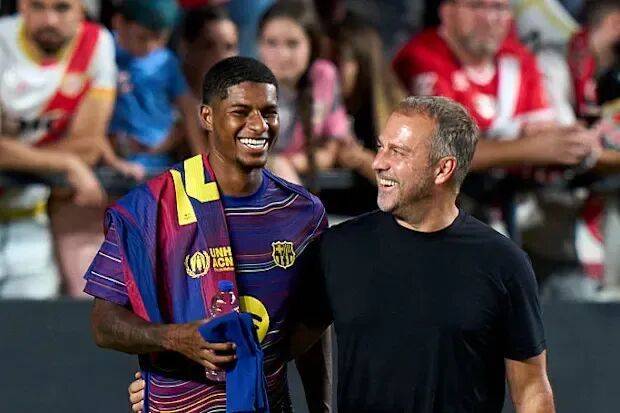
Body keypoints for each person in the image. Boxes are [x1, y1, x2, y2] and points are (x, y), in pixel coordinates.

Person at [86, 56, 331, 412]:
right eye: (241, 112)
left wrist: (322, 407)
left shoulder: (303, 213)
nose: (259, 125)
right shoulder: (151, 207)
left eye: (269, 112)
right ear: (207, 117)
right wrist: (175, 338)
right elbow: (103, 323)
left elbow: (315, 321)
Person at [293, 96, 555, 412]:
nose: (378, 162)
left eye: (398, 152)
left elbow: (531, 388)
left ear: (443, 169)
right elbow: (286, 346)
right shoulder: (337, 248)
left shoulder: (504, 263)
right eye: (381, 147)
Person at [0, 0, 116, 298]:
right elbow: (76, 154)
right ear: (21, 6)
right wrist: (66, 162)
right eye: (37, 6)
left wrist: (14, 153)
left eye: (62, 8)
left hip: (29, 222)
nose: (49, 19)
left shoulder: (96, 44)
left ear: (82, 10)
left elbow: (88, 146)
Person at [257, 0, 351, 186]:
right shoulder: (245, 82)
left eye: (292, 44)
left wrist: (290, 162)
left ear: (312, 45)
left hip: (303, 177)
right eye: (271, 43)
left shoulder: (323, 76)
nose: (282, 55)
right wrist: (276, 164)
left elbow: (332, 149)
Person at [106, 0, 204, 167]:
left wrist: (202, 163)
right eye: (142, 37)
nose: (150, 46)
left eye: (159, 38)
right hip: (113, 159)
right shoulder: (106, 50)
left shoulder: (164, 62)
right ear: (119, 23)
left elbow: (188, 109)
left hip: (156, 159)